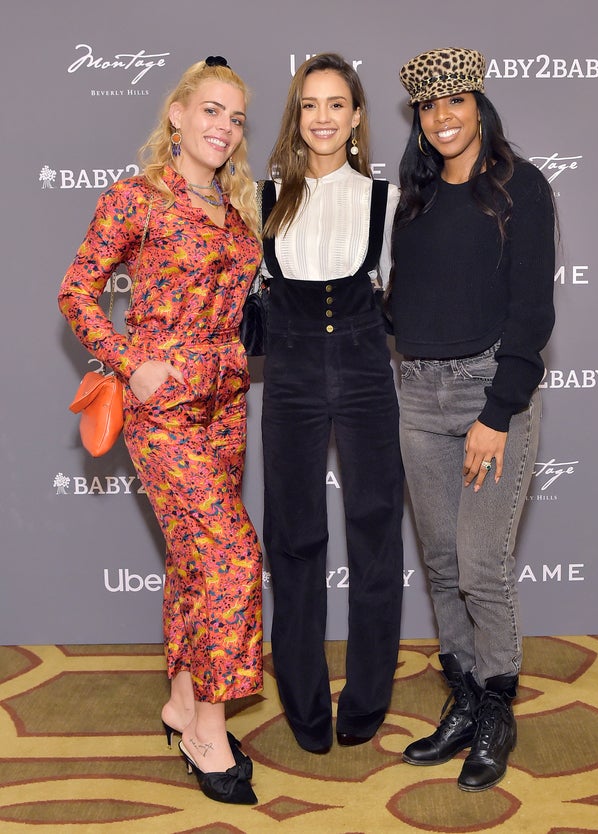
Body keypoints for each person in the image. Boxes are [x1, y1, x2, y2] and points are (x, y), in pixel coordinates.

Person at [59, 56, 262, 805]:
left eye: (236, 118)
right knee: (234, 558)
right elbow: (77, 291)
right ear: (176, 115)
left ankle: (180, 700)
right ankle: (208, 726)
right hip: (164, 409)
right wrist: (127, 359)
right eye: (211, 111)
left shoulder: (238, 209)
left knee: (193, 561)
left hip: (227, 405)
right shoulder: (136, 197)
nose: (224, 128)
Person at [391, 47, 556, 791]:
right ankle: (460, 698)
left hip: (492, 396)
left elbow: (532, 315)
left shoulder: (522, 188)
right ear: (419, 121)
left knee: (482, 565)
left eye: (455, 101)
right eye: (429, 107)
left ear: (479, 106)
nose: (443, 116)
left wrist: (497, 412)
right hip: (417, 399)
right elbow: (403, 305)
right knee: (442, 564)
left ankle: (497, 705)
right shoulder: (415, 197)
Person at [260, 53, 404, 754]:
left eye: (336, 104)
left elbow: (410, 299)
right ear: (298, 116)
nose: (322, 116)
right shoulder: (260, 199)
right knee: (293, 536)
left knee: (375, 529)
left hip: (365, 368)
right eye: (310, 104)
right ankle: (303, 698)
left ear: (355, 118)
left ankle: (369, 694)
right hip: (287, 375)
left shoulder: (387, 200)